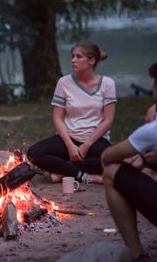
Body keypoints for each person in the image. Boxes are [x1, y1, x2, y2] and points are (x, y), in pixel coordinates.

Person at [101, 58, 157, 262]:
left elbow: (108, 156)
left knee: (112, 173)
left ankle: (137, 258)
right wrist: (149, 159)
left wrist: (142, 159)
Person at [27, 41, 116, 184]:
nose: (73, 60)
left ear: (91, 60)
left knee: (113, 161)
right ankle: (85, 176)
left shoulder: (107, 84)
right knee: (34, 154)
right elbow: (57, 118)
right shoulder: (64, 83)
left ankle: (62, 170)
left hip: (95, 140)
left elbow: (108, 120)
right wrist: (70, 145)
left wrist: (86, 145)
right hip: (69, 138)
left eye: (79, 57)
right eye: (72, 56)